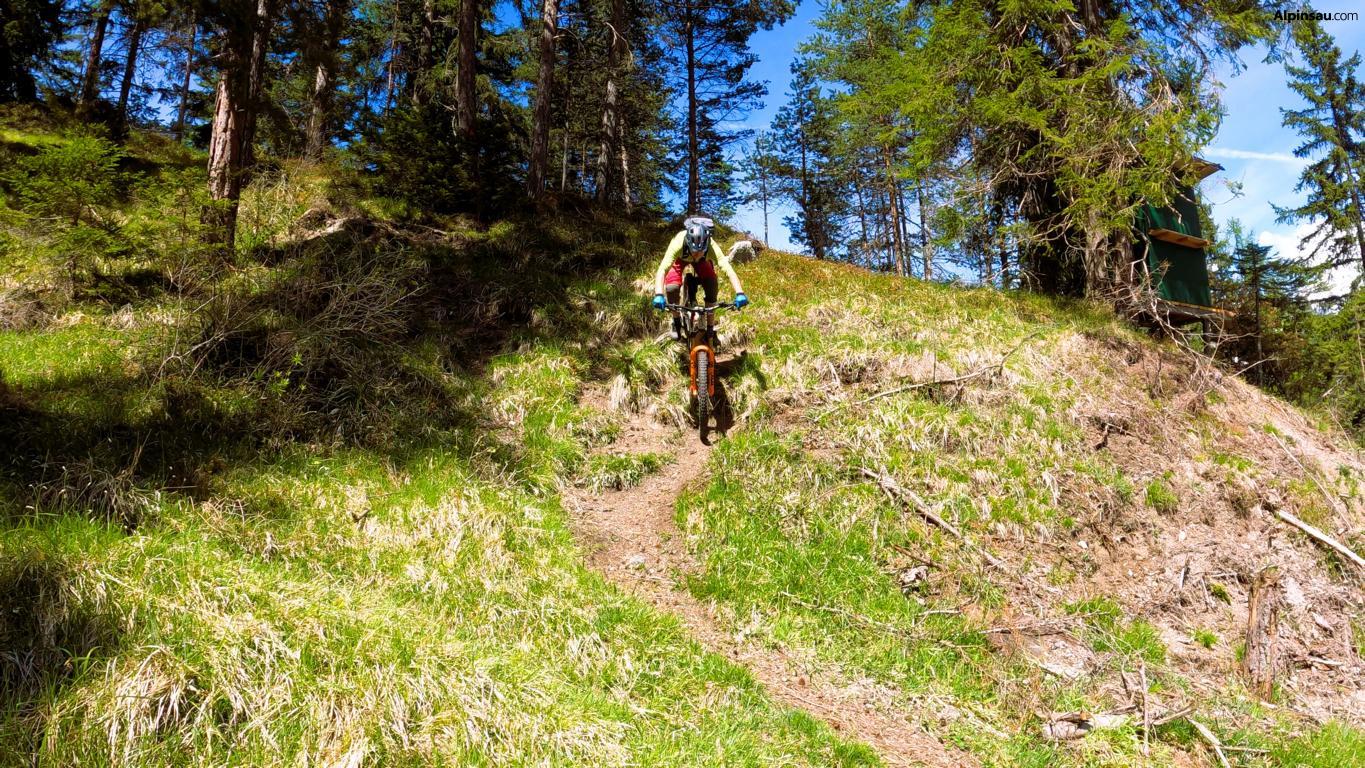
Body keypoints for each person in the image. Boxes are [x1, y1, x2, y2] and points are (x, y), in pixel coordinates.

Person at [650, 217, 748, 335]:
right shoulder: (678, 243)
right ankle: (676, 321)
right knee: (672, 288)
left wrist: (740, 292)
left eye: (700, 251)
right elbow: (662, 270)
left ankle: (710, 328)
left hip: (702, 261)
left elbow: (728, 270)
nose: (696, 255)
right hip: (680, 259)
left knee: (711, 284)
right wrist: (659, 294)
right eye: (694, 251)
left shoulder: (712, 247)